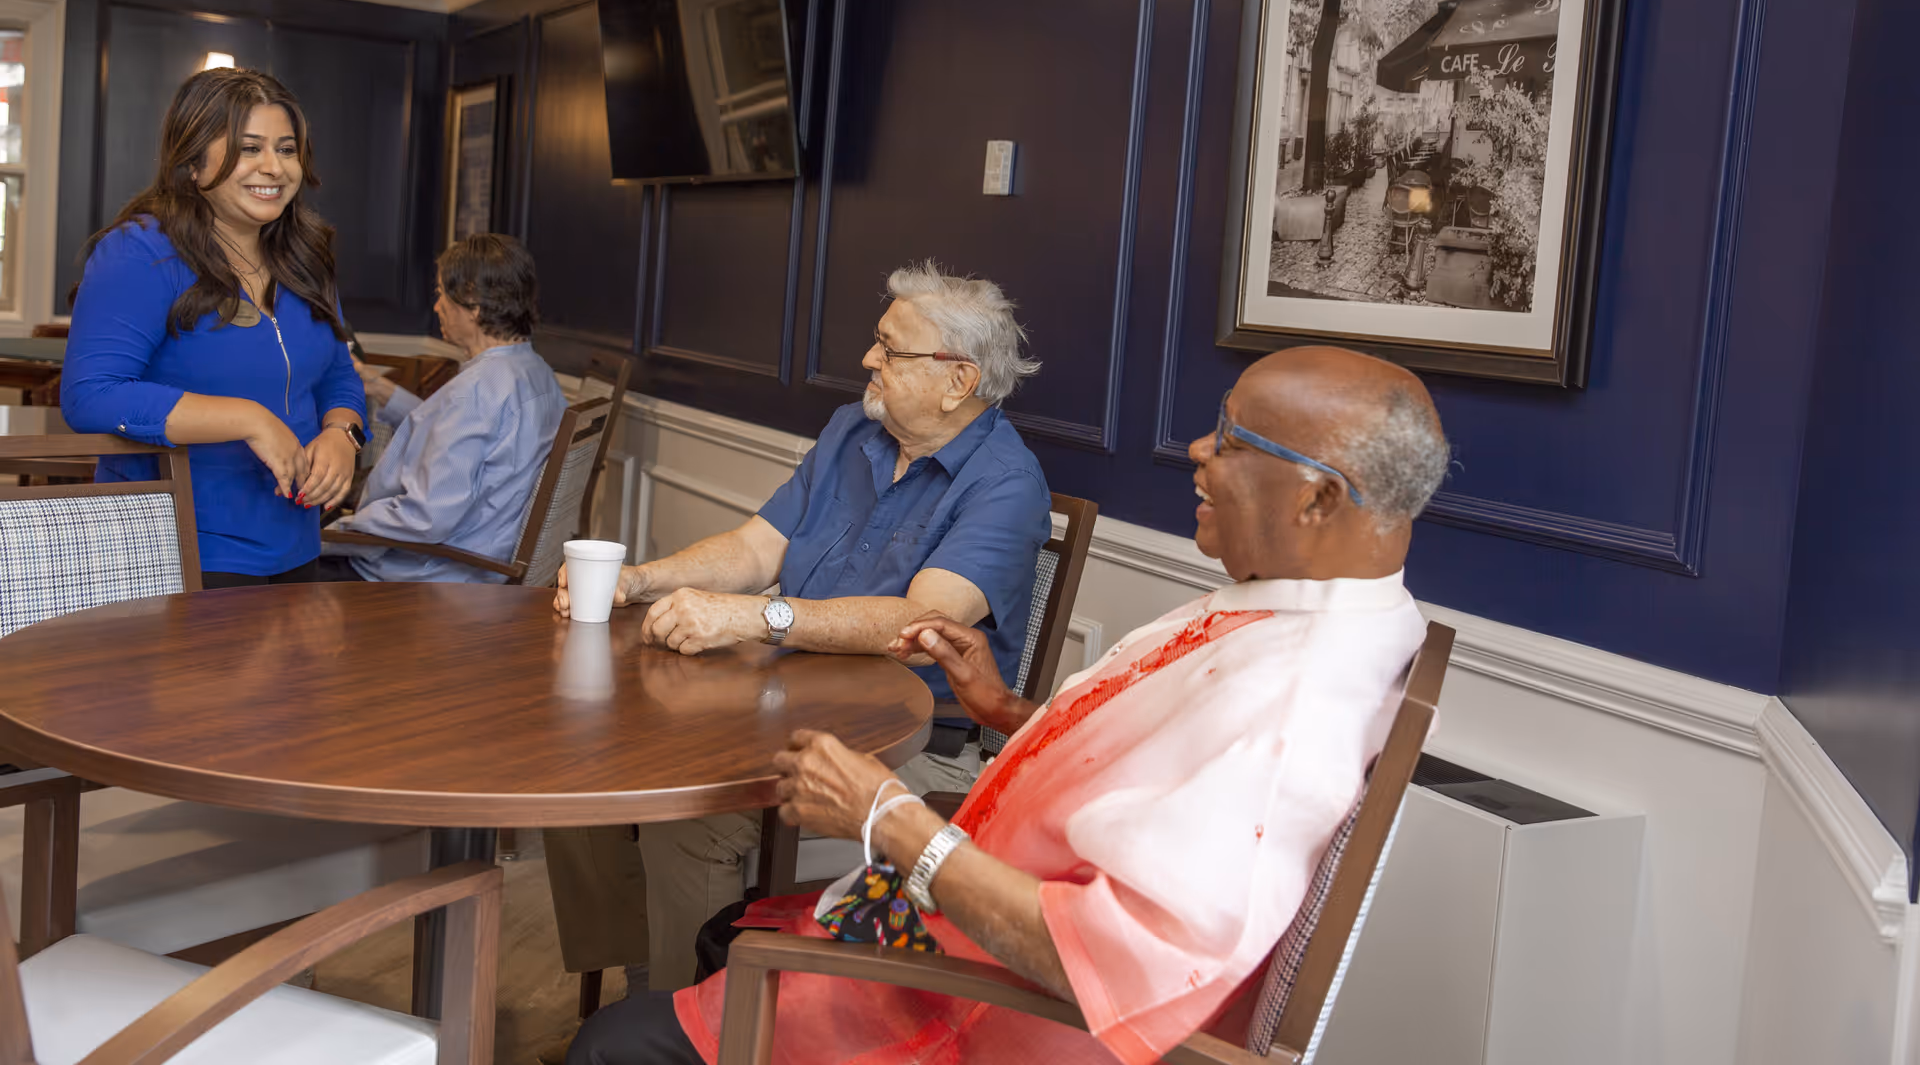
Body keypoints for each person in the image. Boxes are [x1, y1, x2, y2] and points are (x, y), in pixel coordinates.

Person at [565, 345, 1451, 1065]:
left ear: (1320, 497)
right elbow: (1151, 785)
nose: (1197, 451)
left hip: (979, 1015)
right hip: (962, 932)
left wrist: (893, 820)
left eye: (1232, 440)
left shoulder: (1292, 704)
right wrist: (1007, 709)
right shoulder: (1302, 608)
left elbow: (1107, 958)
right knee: (734, 931)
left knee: (615, 1044)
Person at [545, 261, 1052, 992]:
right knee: (592, 752)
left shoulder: (1007, 484)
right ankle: (645, 984)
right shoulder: (855, 429)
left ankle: (691, 1021)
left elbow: (918, 621)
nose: (868, 360)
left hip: (911, 741)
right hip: (787, 693)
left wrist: (758, 617)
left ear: (958, 380)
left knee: (689, 817)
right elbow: (756, 547)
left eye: (890, 348)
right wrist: (642, 579)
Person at [62, 68, 366, 588]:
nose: (274, 167)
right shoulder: (141, 250)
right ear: (194, 163)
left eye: (287, 149)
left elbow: (338, 373)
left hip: (295, 540)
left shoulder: (306, 256)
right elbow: (90, 395)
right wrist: (248, 419)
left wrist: (343, 433)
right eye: (249, 148)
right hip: (178, 550)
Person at [317, 234, 565, 583]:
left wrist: (338, 529)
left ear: (473, 303)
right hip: (483, 555)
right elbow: (462, 434)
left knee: (290, 575)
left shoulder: (473, 393)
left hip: (432, 574)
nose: (436, 307)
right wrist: (377, 387)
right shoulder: (537, 373)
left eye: (440, 294)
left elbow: (425, 518)